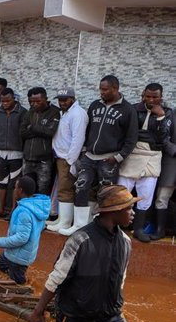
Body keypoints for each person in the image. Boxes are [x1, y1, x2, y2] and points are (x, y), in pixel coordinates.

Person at [27, 185, 137, 322]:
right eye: (128, 208)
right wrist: (38, 312)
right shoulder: (80, 240)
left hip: (108, 316)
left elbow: (120, 279)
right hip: (75, 315)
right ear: (114, 211)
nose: (133, 213)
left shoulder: (125, 242)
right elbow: (57, 278)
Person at [59, 75, 138, 236]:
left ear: (115, 88)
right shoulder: (95, 105)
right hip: (89, 156)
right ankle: (80, 225)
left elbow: (131, 139)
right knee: (81, 187)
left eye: (105, 89)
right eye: (100, 89)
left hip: (109, 159)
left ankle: (98, 227)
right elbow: (87, 131)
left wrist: (118, 158)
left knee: (105, 193)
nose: (101, 92)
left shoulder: (128, 110)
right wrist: (83, 151)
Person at [116, 83, 172, 242]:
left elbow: (163, 138)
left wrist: (160, 117)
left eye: (155, 97)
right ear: (143, 95)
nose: (151, 99)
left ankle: (138, 228)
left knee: (145, 195)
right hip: (132, 155)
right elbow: (128, 133)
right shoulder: (134, 109)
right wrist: (147, 135)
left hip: (152, 157)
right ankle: (117, 227)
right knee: (122, 193)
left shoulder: (166, 113)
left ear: (161, 97)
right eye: (148, 96)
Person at [0, 176, 50, 284]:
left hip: (18, 259)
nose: (14, 190)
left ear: (20, 190)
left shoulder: (24, 212)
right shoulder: (36, 207)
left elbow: (22, 238)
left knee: (18, 286)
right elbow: (40, 227)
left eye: (15, 187)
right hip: (13, 253)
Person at [46, 87, 89, 233]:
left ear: (72, 98)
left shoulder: (78, 114)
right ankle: (62, 219)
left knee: (66, 189)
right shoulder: (64, 113)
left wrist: (71, 161)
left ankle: (65, 222)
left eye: (65, 100)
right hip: (60, 157)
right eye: (60, 100)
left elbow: (78, 139)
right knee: (62, 189)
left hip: (68, 158)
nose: (62, 103)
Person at [0, 88, 27, 218]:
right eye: (2, 101)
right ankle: (0, 209)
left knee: (15, 184)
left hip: (17, 154)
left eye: (7, 100)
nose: (5, 103)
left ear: (14, 99)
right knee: (1, 182)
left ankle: (13, 211)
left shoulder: (22, 113)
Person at [20, 87, 60, 195]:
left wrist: (32, 127)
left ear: (45, 99)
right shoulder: (30, 112)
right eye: (31, 102)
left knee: (43, 188)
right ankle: (28, 210)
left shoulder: (54, 112)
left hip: (44, 160)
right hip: (27, 158)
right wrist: (39, 130)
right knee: (26, 188)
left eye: (38, 101)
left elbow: (50, 132)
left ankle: (40, 211)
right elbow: (22, 132)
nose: (34, 104)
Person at [153, 92, 176, 240]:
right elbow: (163, 137)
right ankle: (160, 229)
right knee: (162, 197)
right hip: (171, 161)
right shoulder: (171, 114)